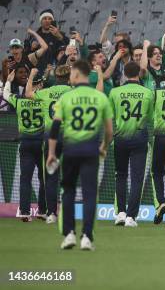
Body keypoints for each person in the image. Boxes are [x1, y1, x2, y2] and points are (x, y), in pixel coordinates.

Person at [47, 59, 113, 250]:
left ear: (76, 74)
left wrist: (52, 154)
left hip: (70, 150)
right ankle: (87, 236)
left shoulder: (66, 98)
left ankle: (69, 234)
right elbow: (109, 131)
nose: (70, 77)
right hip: (91, 150)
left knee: (68, 191)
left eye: (71, 74)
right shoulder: (100, 97)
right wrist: (104, 146)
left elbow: (55, 129)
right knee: (89, 194)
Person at [108, 61, 154, 227]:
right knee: (137, 178)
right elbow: (150, 117)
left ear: (125, 74)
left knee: (120, 175)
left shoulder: (114, 92)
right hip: (139, 136)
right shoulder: (148, 92)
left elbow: (111, 115)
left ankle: (120, 213)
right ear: (138, 74)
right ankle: (131, 217)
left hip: (120, 136)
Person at [24, 65, 72, 224]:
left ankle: (51, 213)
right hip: (69, 136)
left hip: (50, 137)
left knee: (51, 176)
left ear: (55, 77)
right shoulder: (73, 93)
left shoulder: (46, 93)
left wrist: (31, 76)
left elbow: (28, 94)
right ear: (69, 77)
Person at [3, 69, 45, 221]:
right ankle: (42, 210)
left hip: (26, 142)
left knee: (25, 179)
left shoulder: (19, 100)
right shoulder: (43, 100)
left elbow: (5, 95)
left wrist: (8, 80)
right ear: (39, 85)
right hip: (41, 142)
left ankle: (25, 212)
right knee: (43, 178)